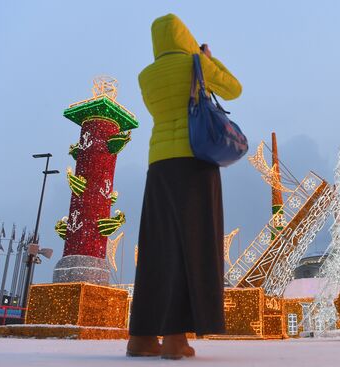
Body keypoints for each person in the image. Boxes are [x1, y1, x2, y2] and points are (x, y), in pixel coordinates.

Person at [127, 13, 242, 360]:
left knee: (156, 247)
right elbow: (234, 89)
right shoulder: (195, 64)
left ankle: (142, 337)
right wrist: (207, 58)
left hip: (158, 165)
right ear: (184, 37)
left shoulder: (146, 76)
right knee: (192, 246)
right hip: (194, 162)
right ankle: (176, 339)